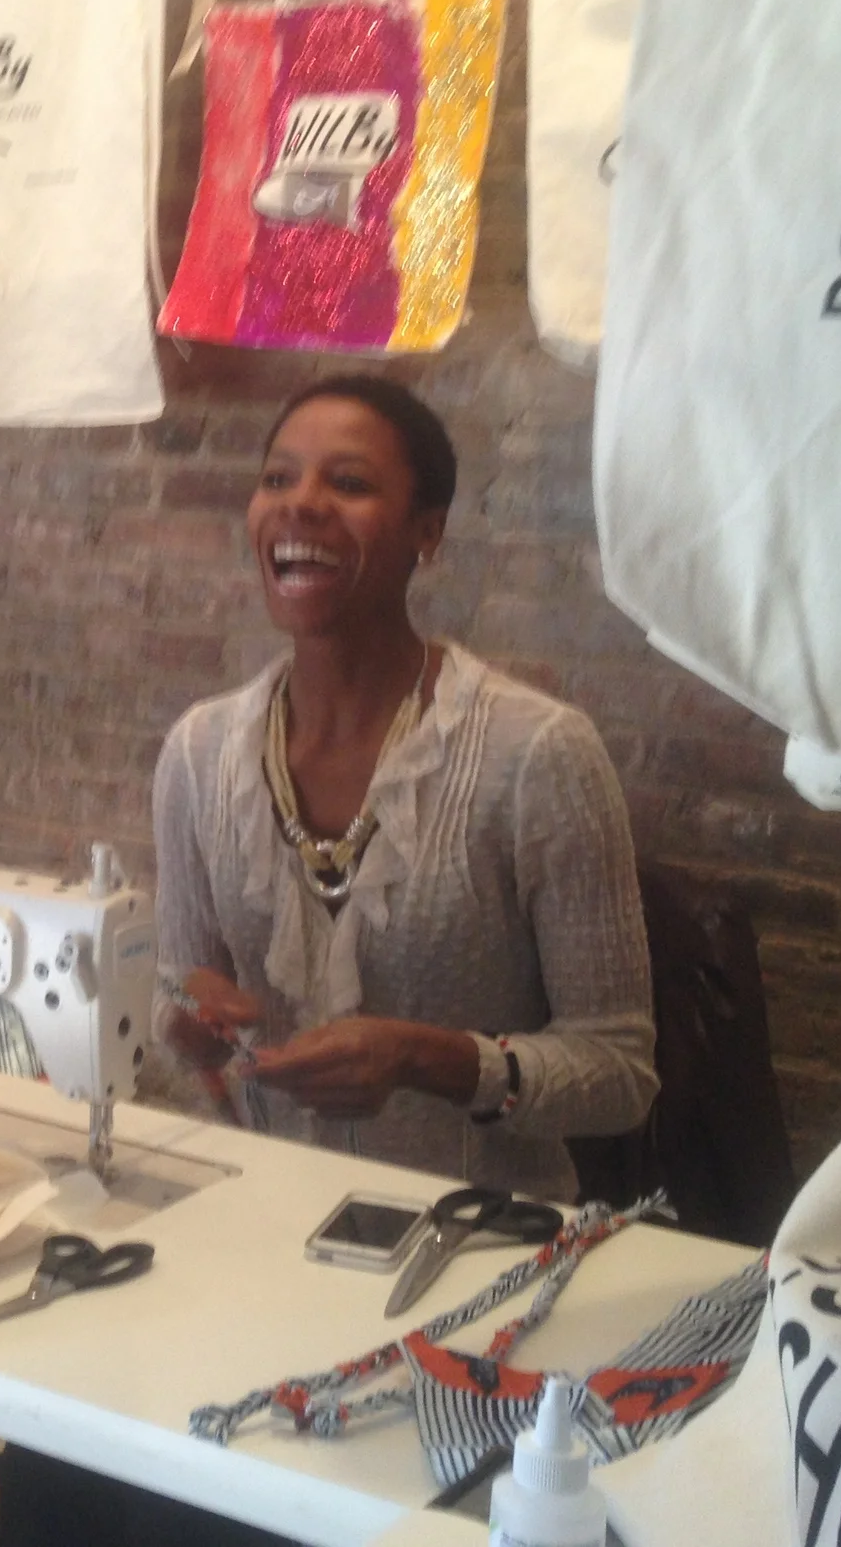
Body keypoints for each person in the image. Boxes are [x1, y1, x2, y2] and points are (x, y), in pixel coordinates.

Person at [155, 376, 657, 1201]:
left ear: (428, 532)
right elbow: (182, 1006)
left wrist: (434, 1059)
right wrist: (182, 1024)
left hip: (479, 1247)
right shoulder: (199, 754)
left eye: (347, 483)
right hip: (259, 1223)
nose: (300, 503)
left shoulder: (537, 755)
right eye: (277, 478)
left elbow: (621, 1073)